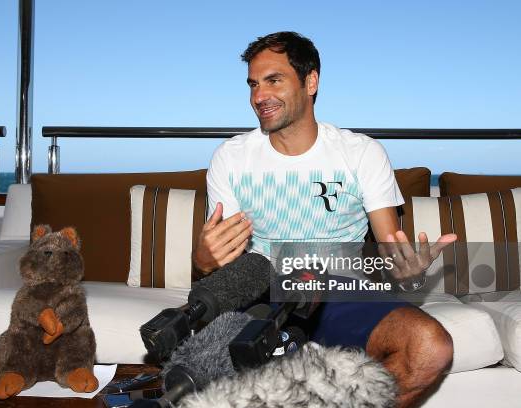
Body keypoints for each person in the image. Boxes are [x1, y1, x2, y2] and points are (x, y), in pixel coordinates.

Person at [192, 31, 456, 407]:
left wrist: (407, 271)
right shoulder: (231, 158)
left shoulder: (361, 153)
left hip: (339, 292)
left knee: (429, 346)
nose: (258, 96)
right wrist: (203, 261)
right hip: (265, 294)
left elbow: (390, 249)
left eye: (273, 80)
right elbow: (223, 265)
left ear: (311, 81)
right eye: (253, 84)